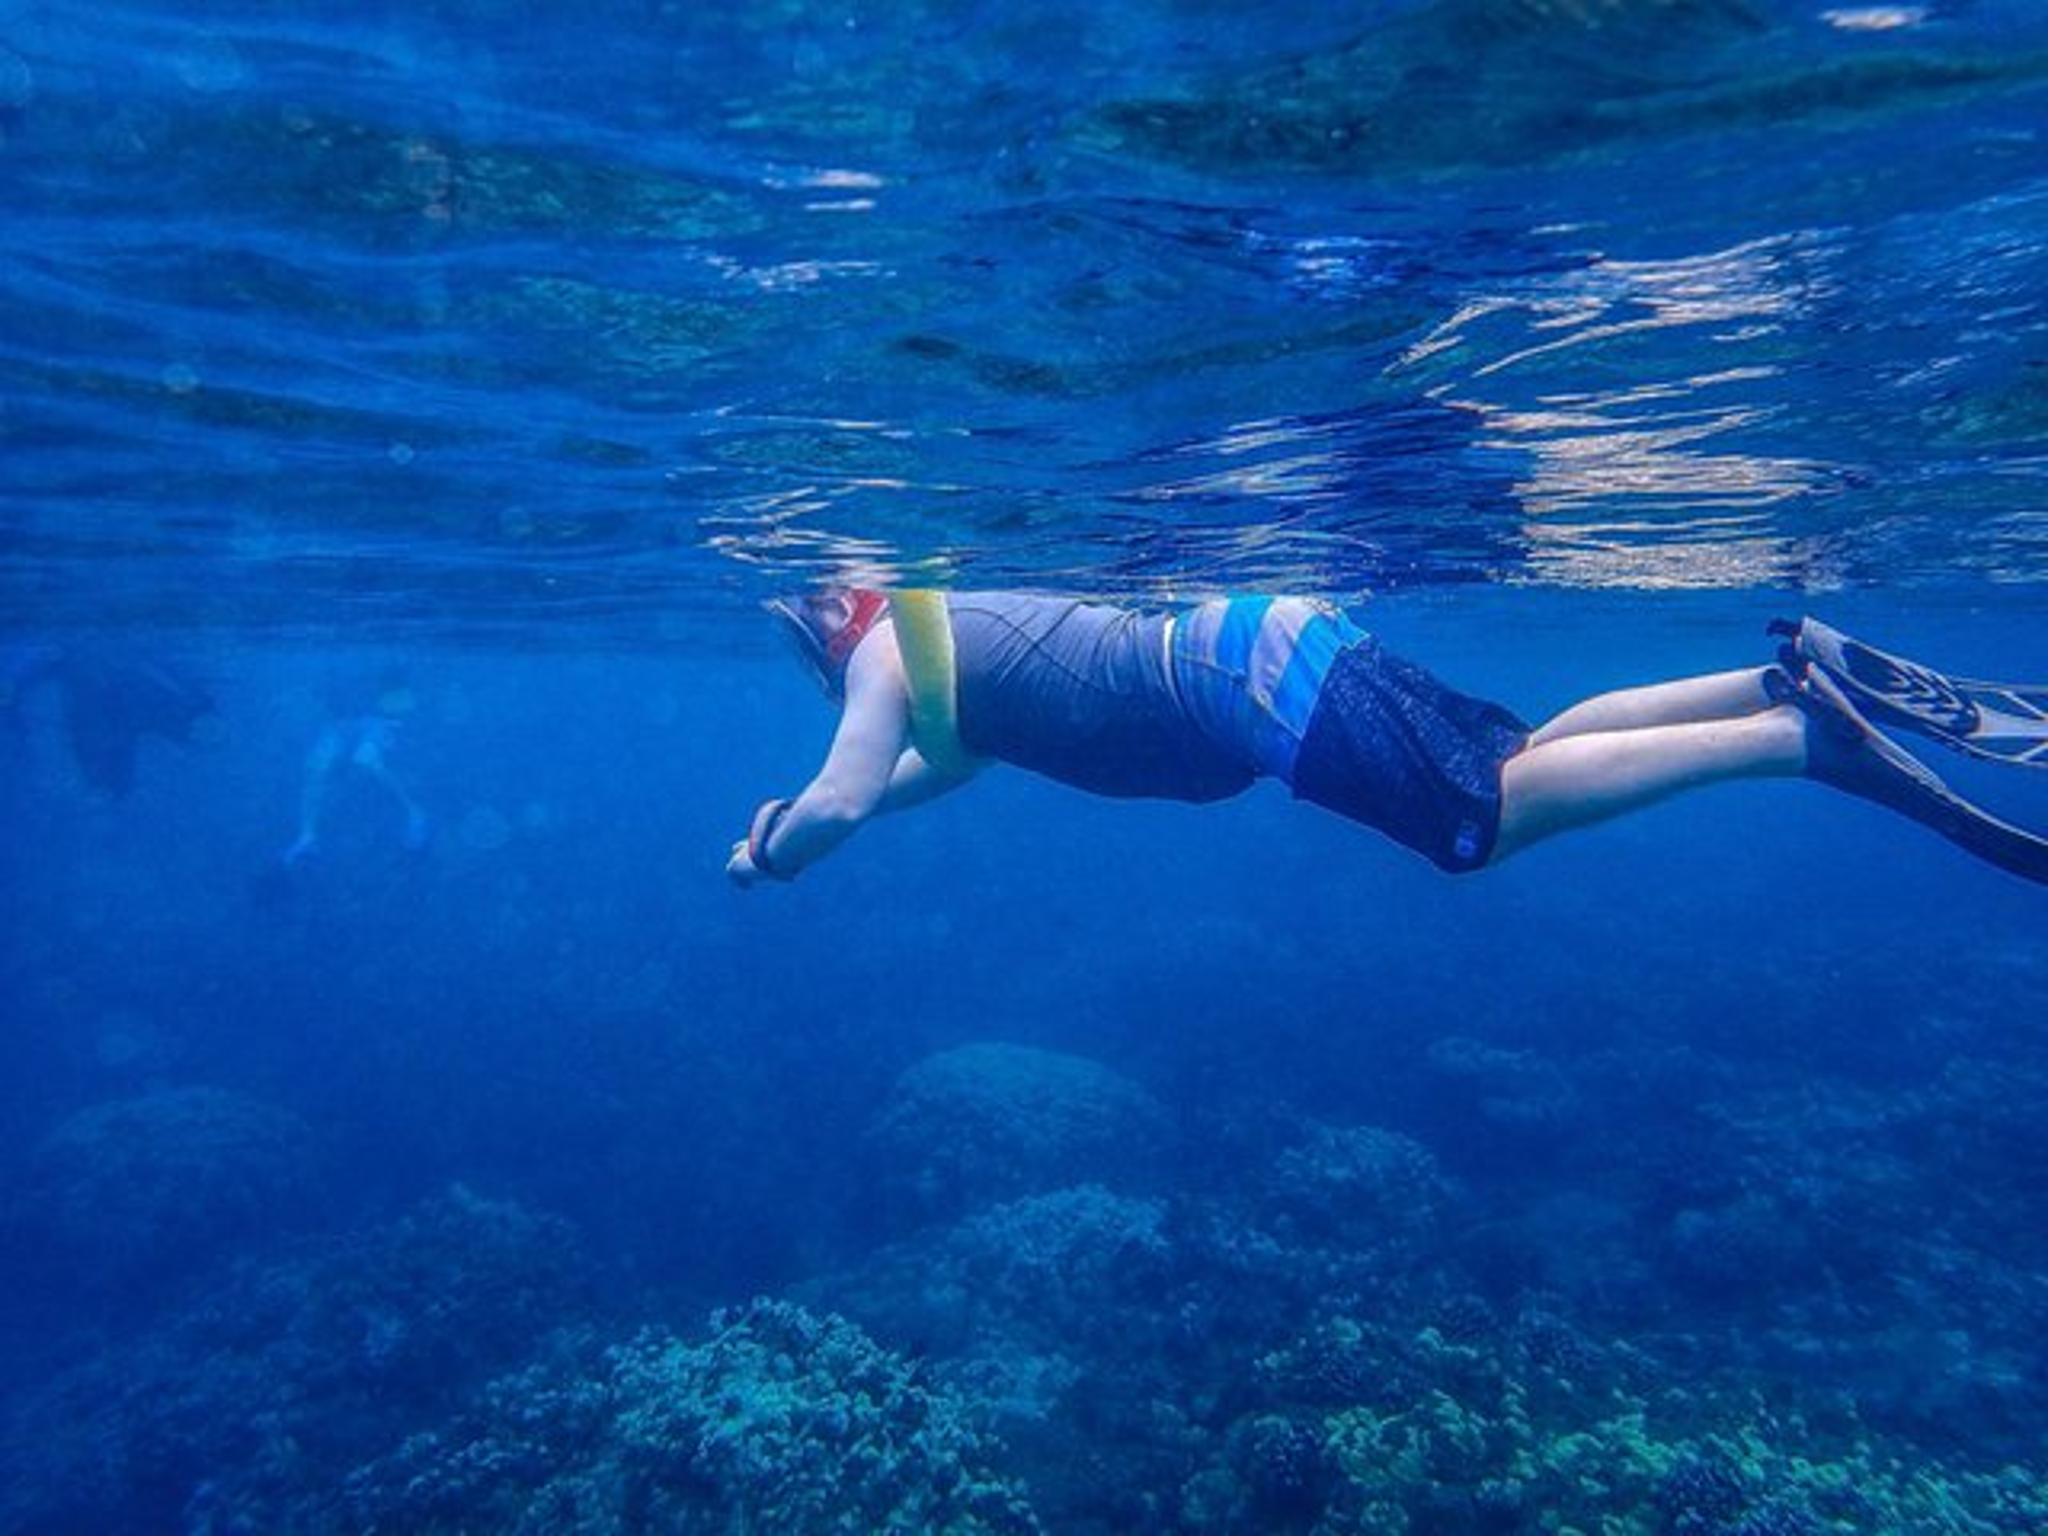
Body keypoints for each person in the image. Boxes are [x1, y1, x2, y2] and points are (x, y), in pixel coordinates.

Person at [726, 591, 2048, 888]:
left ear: (815, 627)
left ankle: (1797, 740)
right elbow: (919, 783)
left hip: (1241, 689)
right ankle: (1775, 677)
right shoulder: (945, 652)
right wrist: (819, 817)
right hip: (1265, 643)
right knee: (1515, 747)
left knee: (1480, 820)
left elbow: (842, 803)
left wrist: (773, 855)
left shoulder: (884, 654)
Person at [2, 643, 215, 798]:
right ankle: (112, 793)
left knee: (109, 764)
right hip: (103, 718)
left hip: (107, 717)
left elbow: (41, 669)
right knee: (108, 764)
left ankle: (113, 794)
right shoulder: (79, 658)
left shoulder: (84, 658)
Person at [279, 679, 431, 867]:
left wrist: (394, 720)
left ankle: (414, 812)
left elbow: (394, 694)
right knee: (315, 770)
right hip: (338, 724)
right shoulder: (329, 674)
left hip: (373, 720)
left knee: (366, 760)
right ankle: (307, 835)